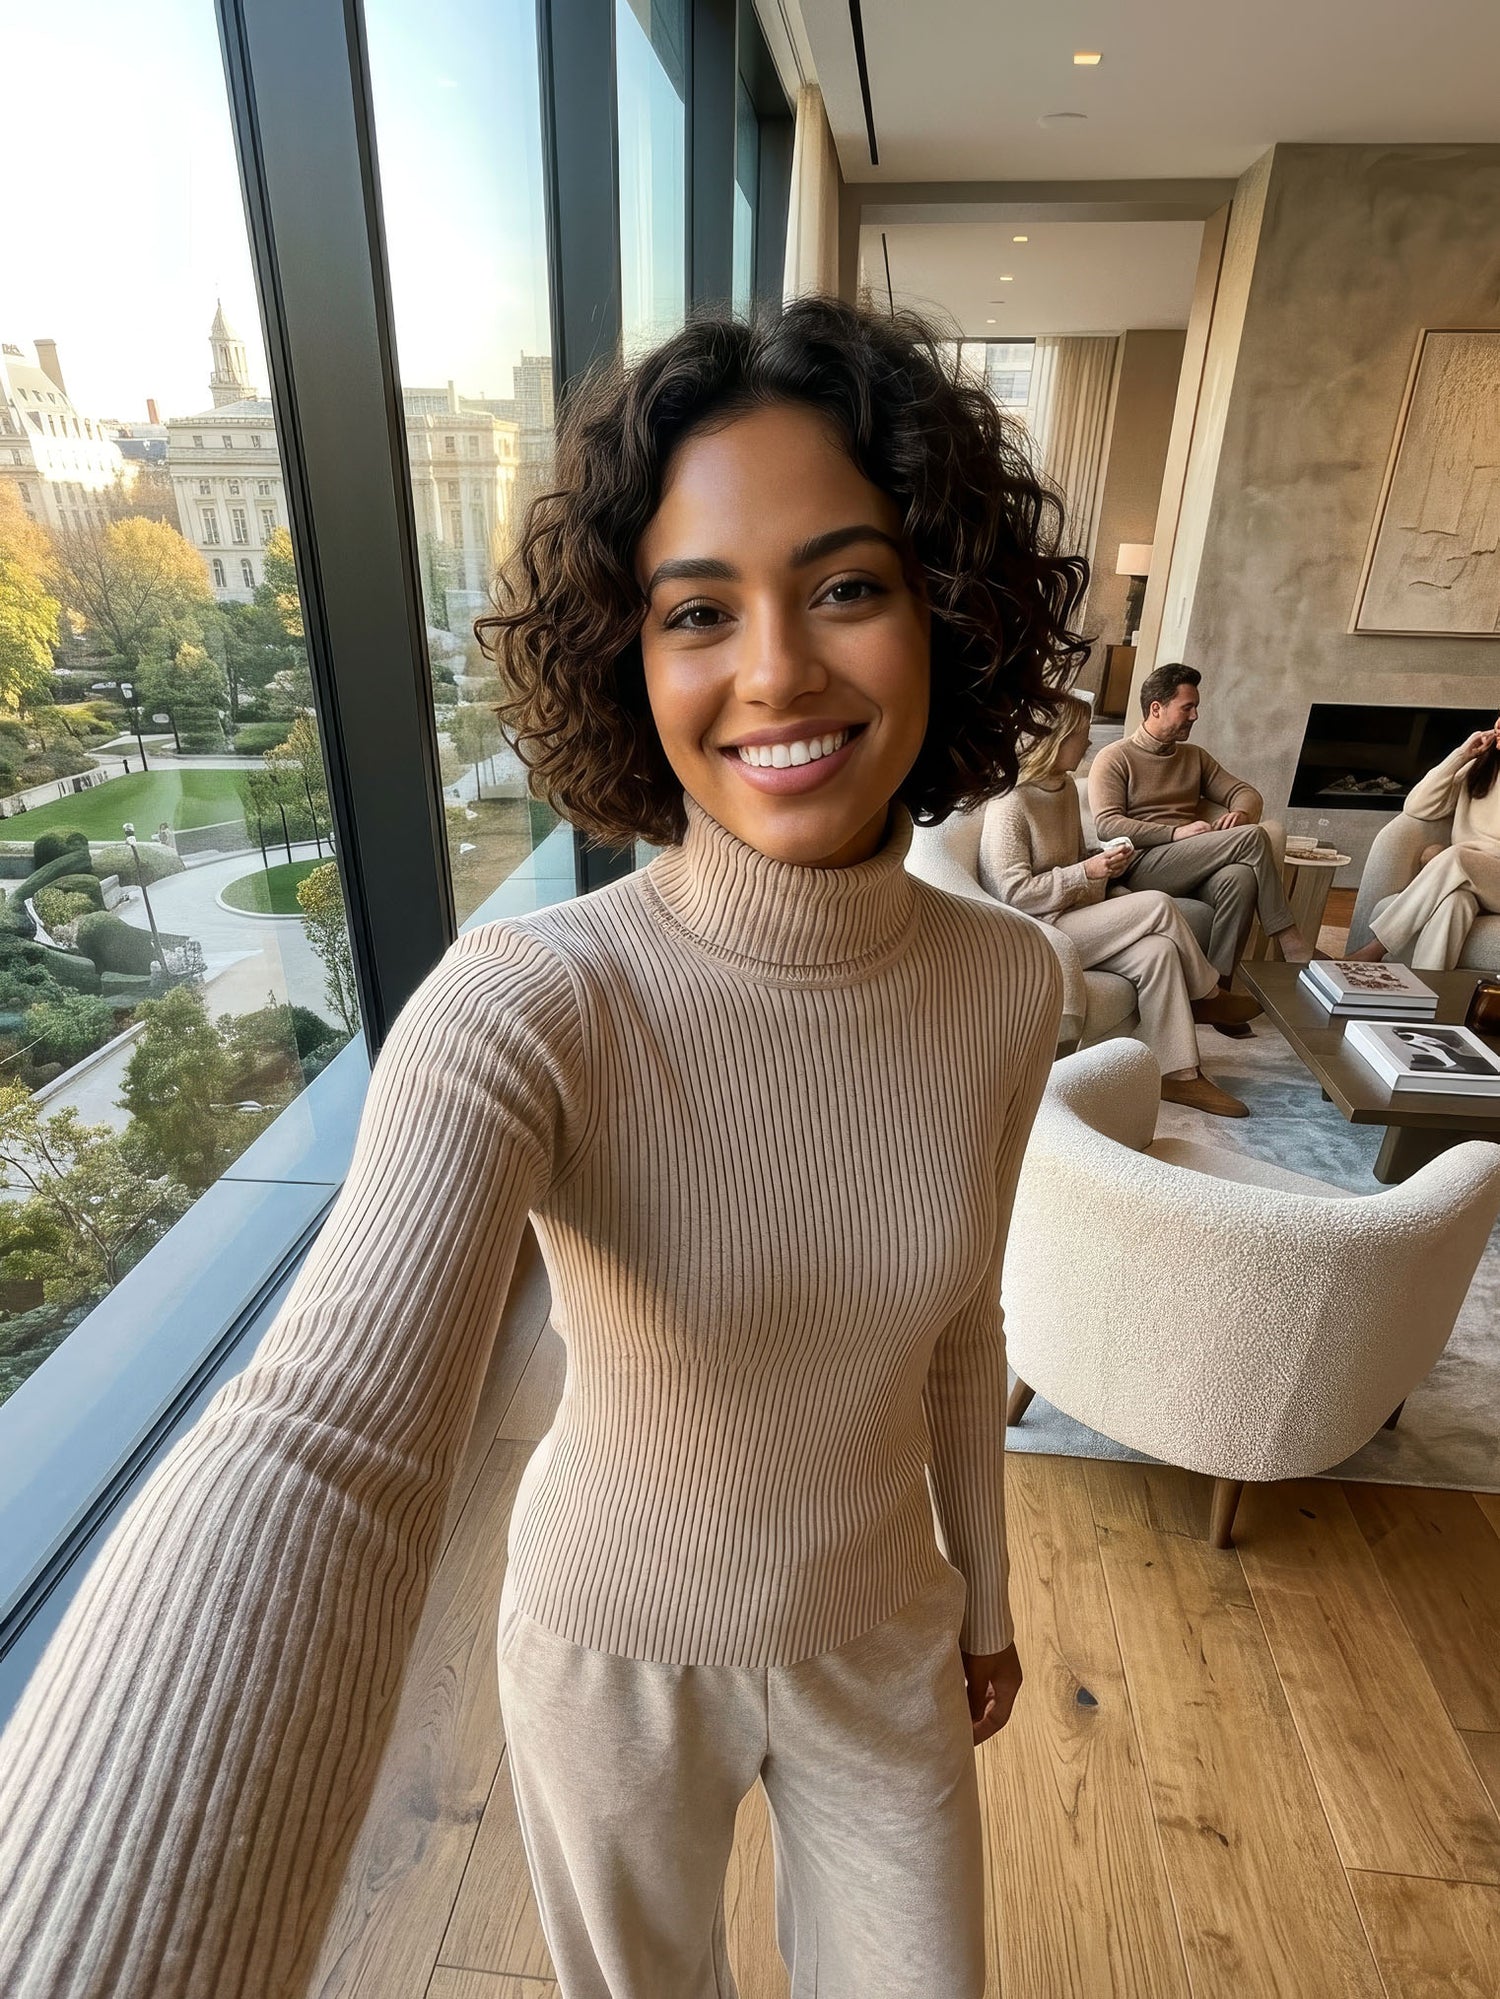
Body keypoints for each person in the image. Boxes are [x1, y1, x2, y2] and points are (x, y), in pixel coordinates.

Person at [0, 299, 1078, 1999]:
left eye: (848, 583)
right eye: (698, 611)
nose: (779, 666)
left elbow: (959, 1325)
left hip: (885, 1631)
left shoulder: (1015, 984)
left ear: (949, 604)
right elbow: (323, 1435)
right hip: (611, 1651)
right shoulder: (534, 998)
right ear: (624, 660)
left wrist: (987, 1594)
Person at [981, 694, 1255, 1116]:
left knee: (1160, 951)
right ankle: (1208, 993)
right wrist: (1087, 872)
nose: (1088, 744)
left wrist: (1104, 857)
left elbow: (1071, 855)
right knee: (1158, 905)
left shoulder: (1064, 789)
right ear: (1057, 740)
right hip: (1036, 930)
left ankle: (1178, 1076)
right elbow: (1012, 892)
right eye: (1081, 737)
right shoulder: (1011, 802)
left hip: (1072, 915)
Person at [1088, 664, 1318, 1025]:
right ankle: (1288, 937)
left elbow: (1246, 793)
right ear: (1156, 708)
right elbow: (1106, 824)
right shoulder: (1115, 757)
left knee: (1240, 878)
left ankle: (1213, 991)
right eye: (1187, 707)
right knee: (1255, 837)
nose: (1195, 715)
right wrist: (1174, 834)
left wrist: (1240, 813)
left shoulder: (1194, 757)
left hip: (1190, 861)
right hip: (1142, 866)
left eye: (1195, 707)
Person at [1342, 720, 1500, 971]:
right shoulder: (1480, 768)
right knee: (1454, 904)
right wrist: (1460, 755)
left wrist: (1466, 859)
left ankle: (1375, 949)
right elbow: (1417, 807)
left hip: (1487, 876)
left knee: (1455, 857)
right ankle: (1424, 996)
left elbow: (1462, 857)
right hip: (1466, 878)